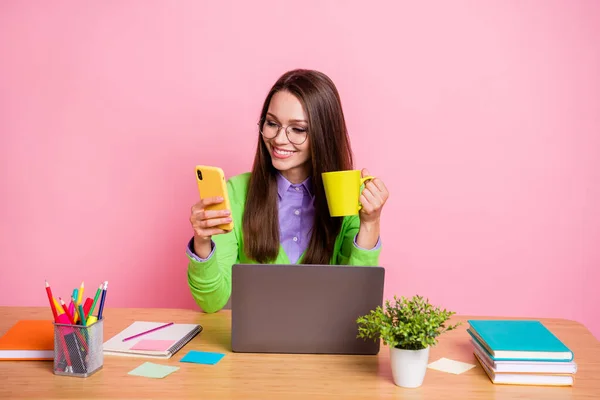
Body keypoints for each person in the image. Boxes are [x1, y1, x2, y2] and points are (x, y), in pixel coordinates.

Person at [186, 69, 390, 313]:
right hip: (255, 346)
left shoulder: (346, 195)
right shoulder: (237, 192)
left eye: (298, 129)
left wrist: (370, 223)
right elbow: (212, 302)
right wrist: (202, 242)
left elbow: (358, 304)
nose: (279, 139)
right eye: (272, 124)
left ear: (323, 134)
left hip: (327, 344)